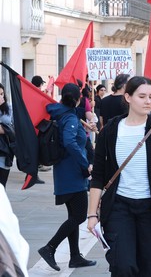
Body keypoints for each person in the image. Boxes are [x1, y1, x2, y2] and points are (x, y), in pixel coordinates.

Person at [87, 76, 151, 276]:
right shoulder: (110, 130)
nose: (148, 101)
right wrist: (92, 214)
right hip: (119, 207)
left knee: (148, 268)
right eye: (142, 96)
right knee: (122, 266)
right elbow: (98, 176)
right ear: (127, 97)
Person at [38, 83, 96, 271]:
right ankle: (50, 248)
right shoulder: (69, 117)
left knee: (73, 215)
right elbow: (70, 142)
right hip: (72, 173)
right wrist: (85, 163)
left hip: (65, 172)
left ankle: (75, 256)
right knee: (79, 216)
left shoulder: (63, 114)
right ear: (78, 99)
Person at [0, 83, 15, 187]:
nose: (1, 97)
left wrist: (5, 129)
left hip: (5, 151)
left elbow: (14, 127)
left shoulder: (8, 108)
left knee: (2, 186)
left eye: (2, 94)